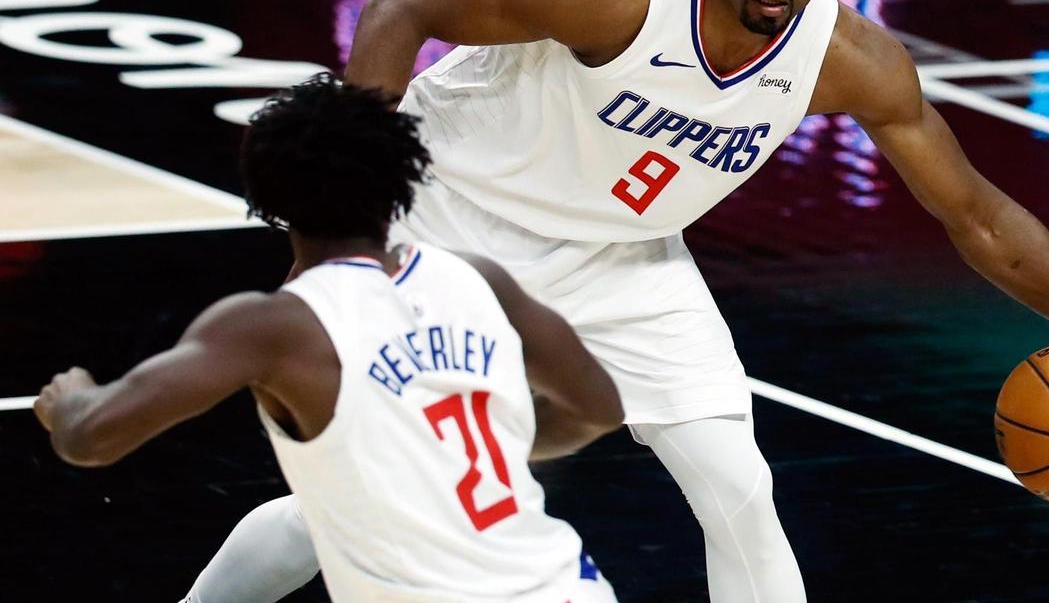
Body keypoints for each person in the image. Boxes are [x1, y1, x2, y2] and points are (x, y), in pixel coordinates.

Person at [191, 0, 1049, 603]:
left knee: (737, 480)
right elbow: (406, 3)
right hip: (453, 215)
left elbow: (977, 214)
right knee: (403, 485)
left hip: (622, 256)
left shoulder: (850, 62)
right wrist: (346, 209)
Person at [34, 74, 625, 603]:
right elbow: (598, 408)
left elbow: (91, 438)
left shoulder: (275, 328)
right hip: (570, 585)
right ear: (403, 179)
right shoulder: (478, 279)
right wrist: (475, 455)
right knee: (305, 516)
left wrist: (72, 400)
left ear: (267, 198)